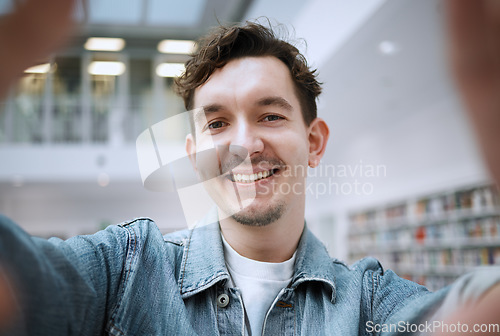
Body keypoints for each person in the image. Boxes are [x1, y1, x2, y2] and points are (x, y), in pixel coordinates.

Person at [0, 0, 499, 335]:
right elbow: (26, 282)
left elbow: (469, 316)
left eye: (270, 115)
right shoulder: (125, 269)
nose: (244, 144)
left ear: (313, 142)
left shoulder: (368, 305)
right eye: (217, 123)